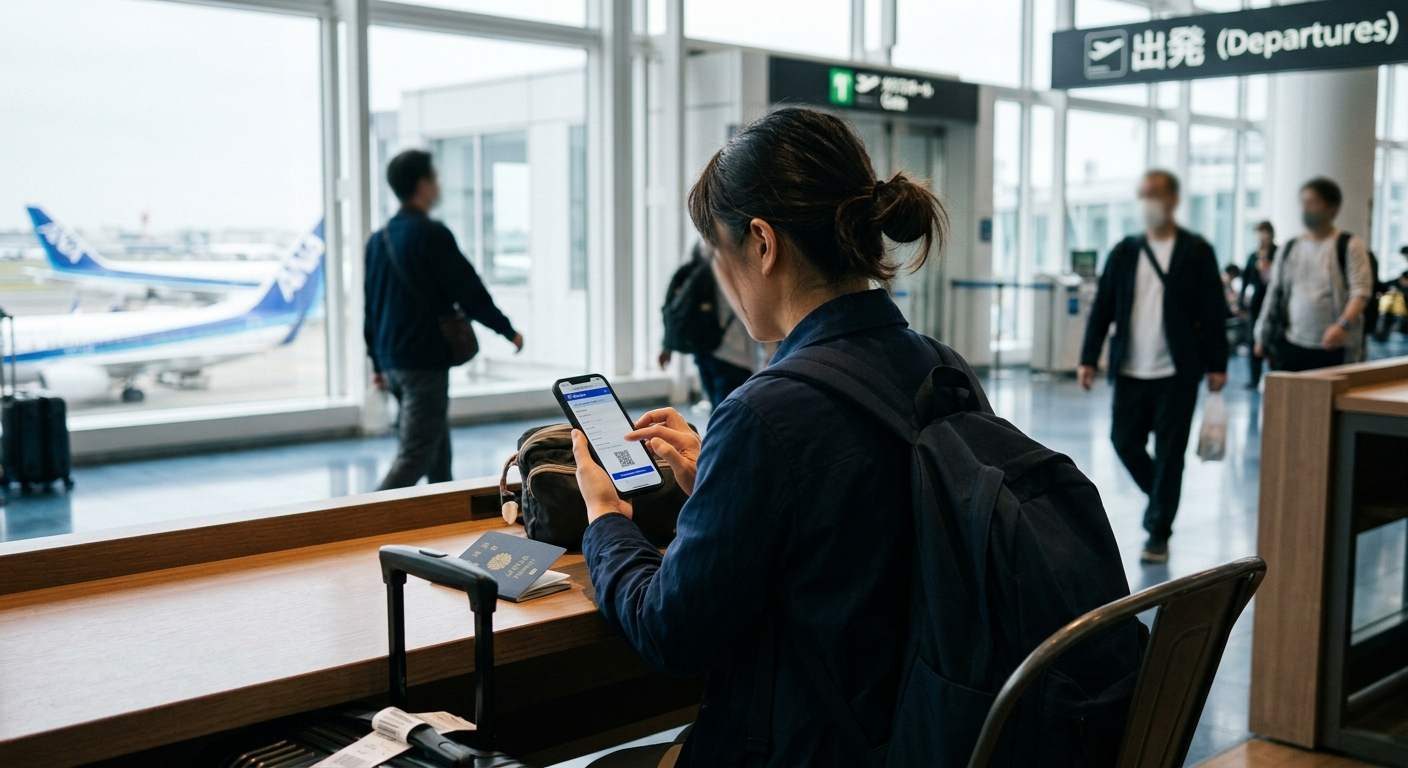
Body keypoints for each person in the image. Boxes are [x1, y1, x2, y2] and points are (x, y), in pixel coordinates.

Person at [572, 107, 974, 767]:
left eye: (718, 252)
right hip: (931, 733)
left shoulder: (764, 413)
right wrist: (719, 484)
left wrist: (605, 520)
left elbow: (669, 632)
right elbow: (860, 535)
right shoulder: (944, 368)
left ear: (761, 242)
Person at [1078, 169, 1228, 565]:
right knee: (1123, 441)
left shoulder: (1196, 251)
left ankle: (1158, 531)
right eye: (1143, 194)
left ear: (1173, 201)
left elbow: (1213, 310)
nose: (1147, 202)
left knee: (1170, 453)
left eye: (1155, 194)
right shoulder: (1124, 251)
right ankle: (1161, 498)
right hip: (1130, 368)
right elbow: (1103, 307)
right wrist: (1088, 358)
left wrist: (1218, 364)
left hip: (1177, 372)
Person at [365, 149, 523, 490]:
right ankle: (362, 514)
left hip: (392, 362)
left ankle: (444, 506)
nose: (438, 185)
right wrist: (506, 329)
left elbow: (371, 308)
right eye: (434, 178)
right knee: (415, 455)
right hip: (422, 360)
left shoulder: (379, 239)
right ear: (422, 184)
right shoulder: (431, 234)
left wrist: (377, 363)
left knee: (436, 447)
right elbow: (468, 290)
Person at [1254, 177, 1374, 371]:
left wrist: (1342, 325)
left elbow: (1361, 291)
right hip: (1292, 342)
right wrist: (1262, 335)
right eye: (1303, 202)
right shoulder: (1289, 247)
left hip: (1334, 345)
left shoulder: (1348, 245)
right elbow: (1274, 293)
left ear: (1332, 208)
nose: (1305, 207)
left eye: (1312, 202)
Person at [657, 243, 775, 406]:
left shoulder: (701, 248)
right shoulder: (742, 254)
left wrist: (667, 346)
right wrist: (770, 354)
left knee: (719, 409)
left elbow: (682, 300)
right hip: (734, 353)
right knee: (731, 410)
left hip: (704, 346)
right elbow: (760, 308)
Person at [1239, 221, 1276, 388]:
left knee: (1272, 340)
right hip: (1256, 303)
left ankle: (1275, 376)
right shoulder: (1253, 256)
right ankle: (1254, 379)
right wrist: (1241, 300)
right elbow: (1246, 279)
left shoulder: (1277, 253)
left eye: (1264, 232)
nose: (1262, 236)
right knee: (1253, 340)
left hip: (1272, 302)